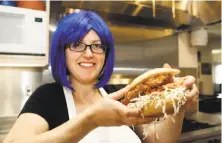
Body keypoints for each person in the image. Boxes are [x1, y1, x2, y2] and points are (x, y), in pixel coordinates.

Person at [4, 10, 198, 143]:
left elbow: (158, 141)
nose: (89, 53)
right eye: (77, 44)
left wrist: (176, 103)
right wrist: (92, 120)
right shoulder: (48, 97)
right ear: (62, 52)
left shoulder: (121, 95)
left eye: (97, 46)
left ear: (106, 55)